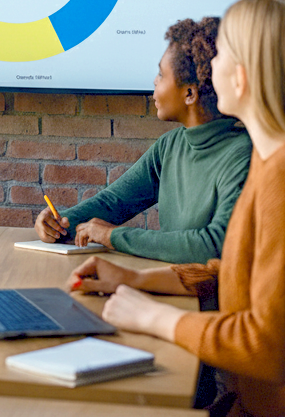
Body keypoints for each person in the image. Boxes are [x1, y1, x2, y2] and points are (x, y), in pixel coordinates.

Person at [68, 0, 285, 417]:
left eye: (222, 53)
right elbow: (237, 269)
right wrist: (136, 279)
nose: (211, 65)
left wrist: (156, 318)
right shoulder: (275, 160)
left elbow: (277, 352)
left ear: (244, 75)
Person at [34, 17, 252, 263]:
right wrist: (60, 223)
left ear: (190, 94)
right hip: (167, 280)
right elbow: (114, 202)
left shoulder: (243, 155)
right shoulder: (169, 146)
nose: (155, 81)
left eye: (161, 74)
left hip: (205, 288)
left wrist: (113, 236)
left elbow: (214, 246)